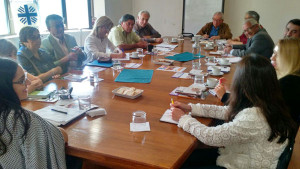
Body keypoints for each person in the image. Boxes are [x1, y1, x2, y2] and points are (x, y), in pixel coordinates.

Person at [170, 54, 297, 169]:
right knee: (189, 158)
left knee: (182, 162)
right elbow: (227, 111)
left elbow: (210, 136)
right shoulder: (269, 103)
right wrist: (191, 108)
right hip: (241, 157)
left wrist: (183, 118)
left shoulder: (254, 117)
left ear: (244, 85)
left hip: (241, 164)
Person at [0, 57, 67, 168]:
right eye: (22, 80)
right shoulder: (21, 120)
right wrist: (54, 129)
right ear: (5, 86)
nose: (28, 82)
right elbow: (60, 136)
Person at [271, 38, 300, 124]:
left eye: (277, 54)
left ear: (290, 58)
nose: (272, 57)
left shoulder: (289, 83)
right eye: (273, 53)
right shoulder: (290, 78)